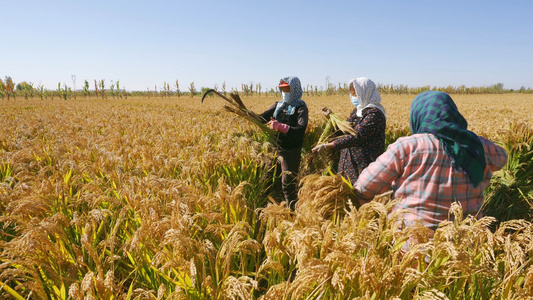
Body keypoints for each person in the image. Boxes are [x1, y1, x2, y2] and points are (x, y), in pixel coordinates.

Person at [353, 91, 508, 231]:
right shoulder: (475, 145)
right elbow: (502, 159)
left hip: (412, 247)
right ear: (453, 113)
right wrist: (472, 142)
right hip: (467, 246)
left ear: (418, 116)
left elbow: (364, 186)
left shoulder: (407, 147)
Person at [312, 77, 386, 186]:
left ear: (365, 93)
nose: (353, 98)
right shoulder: (357, 111)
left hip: (364, 167)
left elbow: (357, 136)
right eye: (351, 94)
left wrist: (328, 146)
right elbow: (345, 131)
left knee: (360, 198)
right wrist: (331, 118)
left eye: (355, 94)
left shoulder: (375, 114)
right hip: (348, 165)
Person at [260, 76, 308, 209]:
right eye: (282, 89)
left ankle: (292, 212)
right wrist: (248, 114)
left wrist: (280, 126)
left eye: (287, 89)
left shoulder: (301, 108)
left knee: (287, 184)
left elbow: (300, 129)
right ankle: (264, 208)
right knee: (266, 178)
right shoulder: (278, 105)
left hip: (290, 151)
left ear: (294, 90)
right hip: (275, 148)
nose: (284, 93)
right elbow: (262, 117)